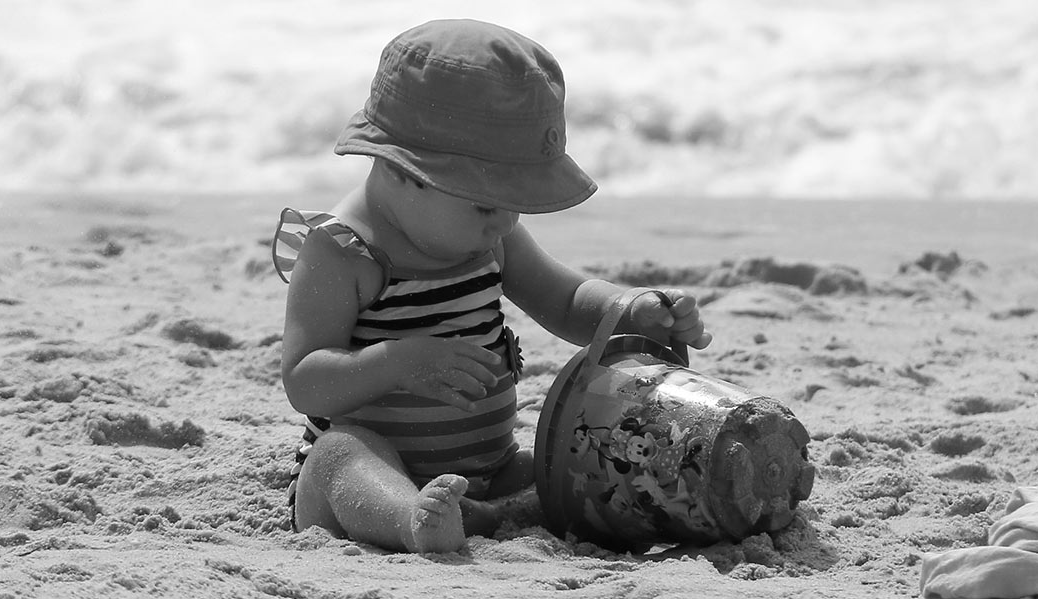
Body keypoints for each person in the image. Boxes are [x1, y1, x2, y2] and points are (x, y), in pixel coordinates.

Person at [271, 19, 712, 553]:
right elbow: (305, 381)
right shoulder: (342, 252)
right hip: (364, 474)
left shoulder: (490, 237)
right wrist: (401, 361)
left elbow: (566, 301)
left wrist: (632, 308)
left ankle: (481, 513)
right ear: (397, 169)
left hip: (488, 467)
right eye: (485, 203)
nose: (505, 222)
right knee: (342, 454)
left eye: (516, 202)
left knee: (569, 460)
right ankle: (410, 517)